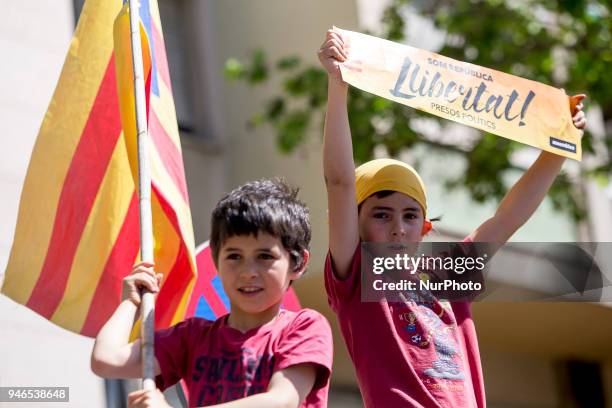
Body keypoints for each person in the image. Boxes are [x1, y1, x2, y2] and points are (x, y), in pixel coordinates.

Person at [318, 27, 586, 407]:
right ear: (351, 225)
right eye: (381, 214)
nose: (398, 227)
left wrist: (559, 146)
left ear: (425, 229)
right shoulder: (355, 275)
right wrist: (338, 84)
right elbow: (341, 182)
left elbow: (508, 217)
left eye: (411, 216)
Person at [91, 179, 333, 408]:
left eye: (265, 256)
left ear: (298, 263)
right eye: (234, 256)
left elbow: (281, 401)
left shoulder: (305, 327)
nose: (248, 272)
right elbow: (107, 361)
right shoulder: (192, 338)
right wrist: (130, 302)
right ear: (216, 262)